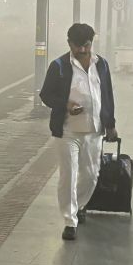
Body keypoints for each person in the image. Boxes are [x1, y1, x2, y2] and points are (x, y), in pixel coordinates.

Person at [39, 23, 118, 241]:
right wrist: (66, 104)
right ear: (69, 43)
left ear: (91, 42)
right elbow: (46, 95)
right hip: (67, 131)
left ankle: (80, 205)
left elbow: (107, 95)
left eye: (86, 45)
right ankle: (69, 220)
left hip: (94, 131)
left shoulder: (101, 64)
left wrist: (110, 124)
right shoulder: (59, 66)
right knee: (69, 174)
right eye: (77, 46)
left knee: (92, 175)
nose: (82, 50)